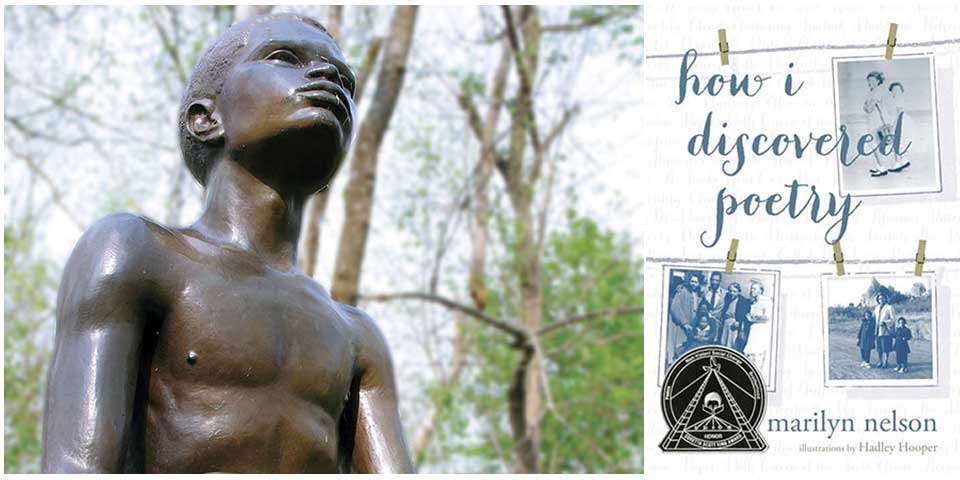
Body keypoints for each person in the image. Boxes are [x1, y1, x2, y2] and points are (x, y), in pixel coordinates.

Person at [41, 14, 414, 473]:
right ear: (205, 119)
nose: (327, 79)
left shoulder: (357, 337)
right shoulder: (136, 254)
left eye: (344, 80)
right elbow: (77, 467)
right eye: (284, 58)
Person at [862, 71, 909, 177]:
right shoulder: (876, 91)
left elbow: (868, 108)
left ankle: (882, 167)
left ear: (878, 81)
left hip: (876, 122)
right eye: (868, 80)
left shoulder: (876, 91)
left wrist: (866, 105)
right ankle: (899, 161)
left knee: (873, 144)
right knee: (884, 143)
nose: (870, 82)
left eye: (872, 80)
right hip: (879, 121)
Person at [667, 273, 702, 364]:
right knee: (678, 345)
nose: (693, 284)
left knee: (686, 346)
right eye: (692, 281)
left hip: (691, 324)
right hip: (681, 323)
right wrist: (684, 323)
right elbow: (675, 308)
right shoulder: (682, 291)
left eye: (696, 282)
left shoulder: (698, 293)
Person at [743, 280, 772, 372]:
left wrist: (753, 318)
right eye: (751, 289)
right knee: (750, 353)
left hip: (761, 329)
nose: (752, 291)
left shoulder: (766, 301)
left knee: (757, 352)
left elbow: (767, 317)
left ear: (760, 290)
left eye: (755, 289)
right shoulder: (753, 303)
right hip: (753, 329)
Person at [714, 283, 743, 349]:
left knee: (731, 343)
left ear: (738, 292)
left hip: (733, 323)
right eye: (731, 291)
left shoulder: (741, 301)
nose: (732, 293)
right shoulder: (727, 298)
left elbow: (743, 315)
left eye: (735, 291)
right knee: (723, 342)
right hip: (725, 322)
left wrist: (739, 322)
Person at [874, 293, 897, 369]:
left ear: (885, 299)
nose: (881, 300)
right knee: (879, 348)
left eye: (882, 298)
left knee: (885, 348)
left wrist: (885, 322)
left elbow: (893, 319)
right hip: (877, 330)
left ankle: (885, 361)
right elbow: (874, 318)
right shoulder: (876, 308)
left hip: (885, 331)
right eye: (879, 298)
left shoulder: (889, 307)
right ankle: (880, 361)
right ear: (878, 300)